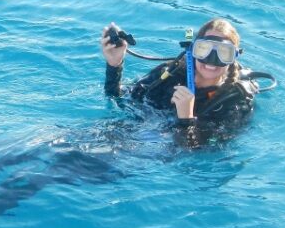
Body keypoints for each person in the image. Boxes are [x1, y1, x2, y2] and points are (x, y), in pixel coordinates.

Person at [101, 18, 258, 147]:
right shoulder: (169, 74)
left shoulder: (234, 101)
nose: (212, 59)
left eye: (224, 53)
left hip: (151, 155)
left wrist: (186, 119)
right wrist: (114, 65)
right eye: (204, 49)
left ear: (233, 58)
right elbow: (118, 100)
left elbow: (191, 152)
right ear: (192, 50)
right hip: (124, 133)